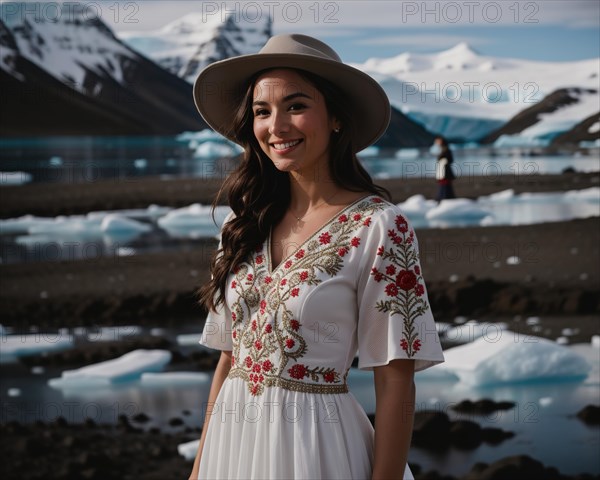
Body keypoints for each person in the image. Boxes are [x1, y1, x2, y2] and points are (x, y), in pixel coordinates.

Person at [189, 34, 444, 480]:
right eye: (262, 111)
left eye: (296, 105)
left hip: (316, 448)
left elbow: (395, 377)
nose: (277, 126)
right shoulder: (244, 224)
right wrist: (199, 467)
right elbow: (229, 359)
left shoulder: (379, 226)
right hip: (231, 450)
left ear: (337, 118)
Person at [432, 136, 456, 202]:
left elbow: (450, 160)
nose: (436, 142)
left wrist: (444, 161)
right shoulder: (442, 149)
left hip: (445, 171)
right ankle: (444, 197)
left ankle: (444, 198)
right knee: (443, 185)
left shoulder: (446, 149)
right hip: (443, 171)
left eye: (438, 141)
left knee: (445, 185)